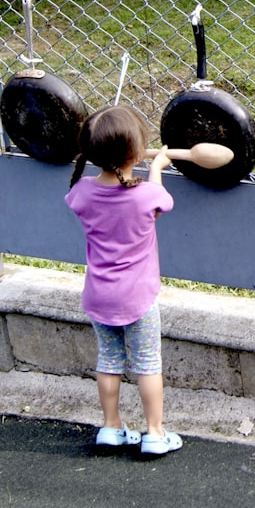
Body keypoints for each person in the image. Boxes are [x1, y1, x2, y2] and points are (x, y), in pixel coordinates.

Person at [65, 105, 182, 456]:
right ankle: (155, 433)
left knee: (109, 361)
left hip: (98, 297)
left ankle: (112, 428)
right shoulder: (146, 194)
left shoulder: (81, 192)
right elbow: (161, 202)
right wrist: (157, 168)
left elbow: (78, 196)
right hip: (138, 299)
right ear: (135, 152)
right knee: (147, 364)